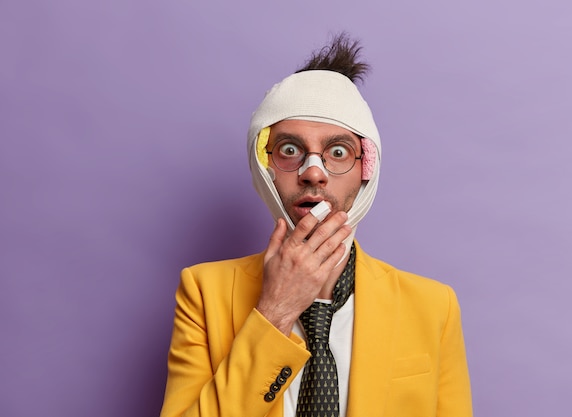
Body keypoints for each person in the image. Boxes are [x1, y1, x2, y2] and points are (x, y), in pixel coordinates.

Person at [160, 33, 473, 417]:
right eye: (290, 150)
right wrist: (276, 311)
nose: (314, 173)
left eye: (337, 152)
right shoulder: (204, 293)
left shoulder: (433, 307)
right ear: (265, 167)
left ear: (366, 168)